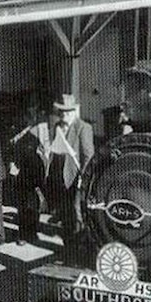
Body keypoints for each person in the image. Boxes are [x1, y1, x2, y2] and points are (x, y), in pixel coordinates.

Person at [50, 94, 94, 241]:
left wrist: (84, 177)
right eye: (62, 112)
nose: (64, 115)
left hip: (76, 177)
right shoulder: (57, 126)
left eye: (68, 112)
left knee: (77, 213)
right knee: (65, 213)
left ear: (74, 112)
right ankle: (68, 245)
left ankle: (78, 246)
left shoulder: (83, 127)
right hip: (60, 176)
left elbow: (88, 156)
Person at [9, 102, 48, 245]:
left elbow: (39, 156)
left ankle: (29, 234)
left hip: (31, 174)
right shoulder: (18, 135)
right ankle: (26, 234)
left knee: (30, 206)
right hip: (22, 176)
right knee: (23, 206)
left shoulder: (33, 136)